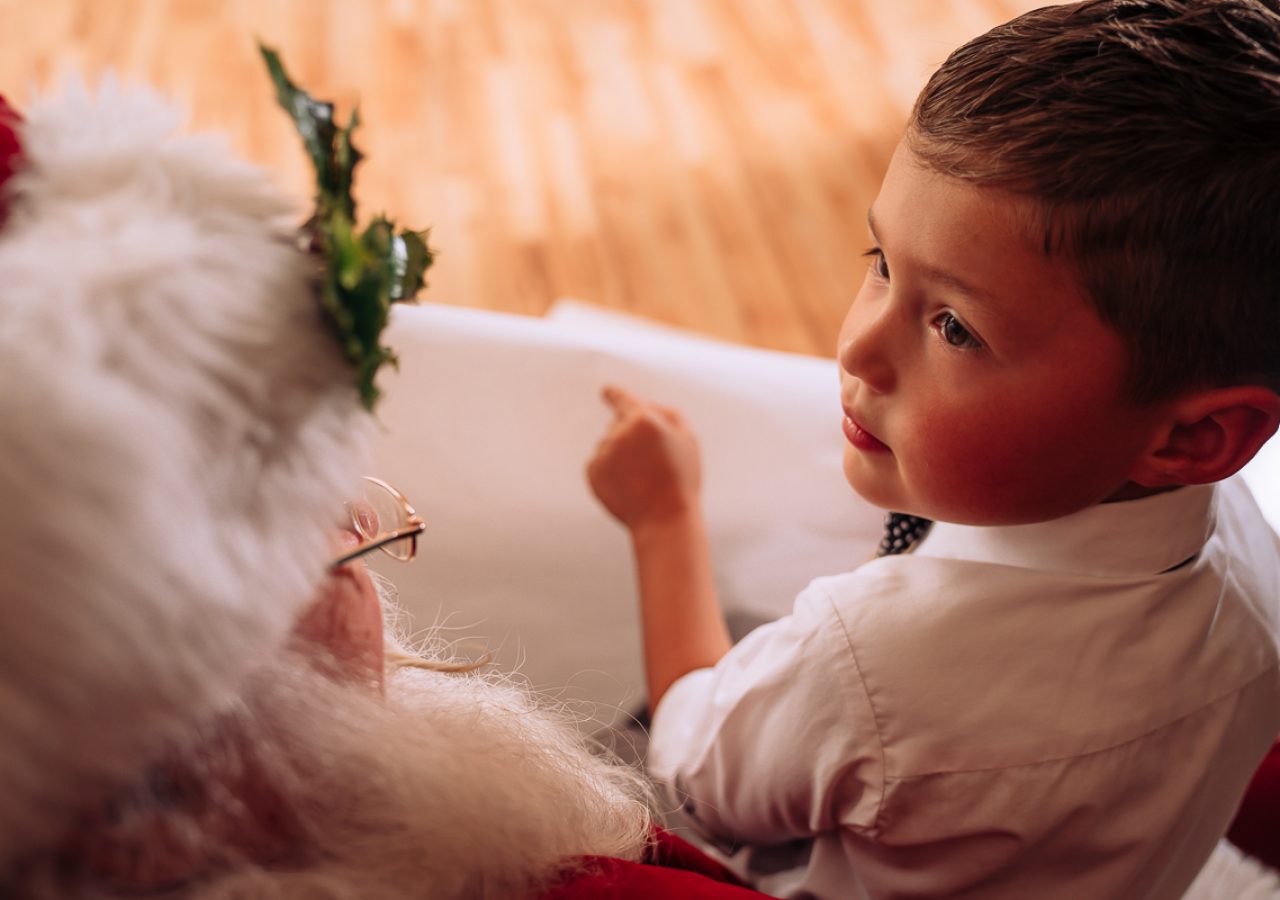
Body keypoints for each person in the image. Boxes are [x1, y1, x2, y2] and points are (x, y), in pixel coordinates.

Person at [586, 1, 1280, 897]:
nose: (858, 349)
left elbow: (696, 776)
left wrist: (663, 519)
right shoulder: (1257, 571)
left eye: (954, 326)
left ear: (1194, 436)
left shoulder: (869, 665)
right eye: (879, 259)